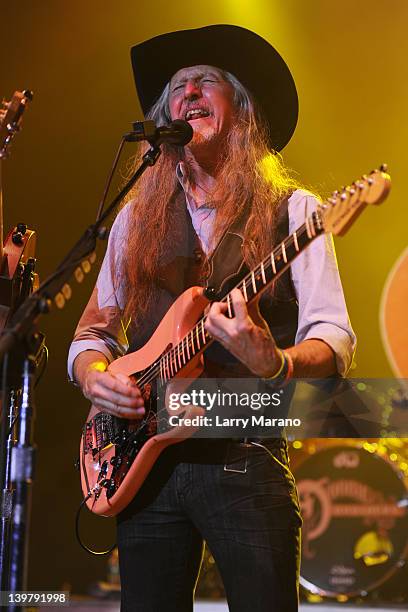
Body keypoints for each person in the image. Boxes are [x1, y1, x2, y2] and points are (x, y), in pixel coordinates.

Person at [68, 25, 356, 612]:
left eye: (206, 82)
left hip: (244, 453)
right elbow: (91, 334)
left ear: (242, 109)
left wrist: (274, 361)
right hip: (143, 465)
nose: (188, 95)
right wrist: (96, 377)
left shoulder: (294, 211)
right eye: (177, 88)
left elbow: (334, 337)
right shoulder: (134, 218)